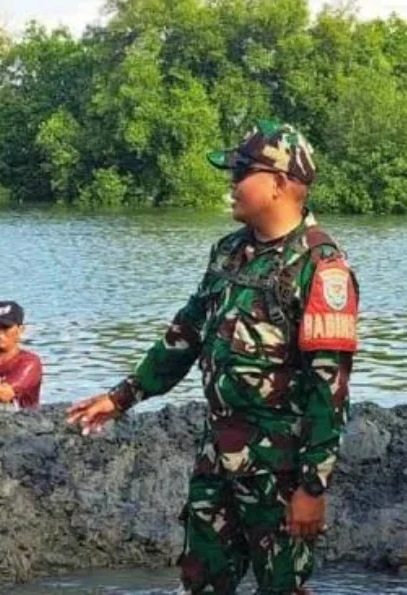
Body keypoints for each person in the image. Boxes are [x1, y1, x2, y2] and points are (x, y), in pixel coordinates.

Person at [66, 120, 358, 595]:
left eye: (242, 171)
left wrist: (312, 488)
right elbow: (185, 335)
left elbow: (330, 388)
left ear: (280, 184)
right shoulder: (228, 254)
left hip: (279, 474)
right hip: (217, 459)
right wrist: (121, 397)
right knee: (198, 584)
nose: (231, 181)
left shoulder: (321, 269)